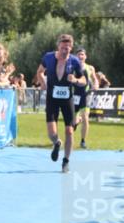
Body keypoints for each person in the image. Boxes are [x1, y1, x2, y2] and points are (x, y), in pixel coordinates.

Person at [36, 33, 86, 173]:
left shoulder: (74, 61)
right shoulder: (48, 57)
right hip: (52, 98)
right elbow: (40, 72)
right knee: (52, 133)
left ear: (71, 48)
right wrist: (42, 83)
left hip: (67, 99)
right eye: (63, 48)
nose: (65, 51)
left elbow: (84, 81)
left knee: (69, 131)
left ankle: (66, 161)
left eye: (68, 48)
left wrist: (75, 80)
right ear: (58, 46)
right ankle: (57, 142)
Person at [72, 46, 98, 149]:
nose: (80, 56)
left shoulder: (90, 68)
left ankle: (83, 141)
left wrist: (96, 85)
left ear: (85, 56)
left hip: (85, 94)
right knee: (72, 120)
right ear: (76, 56)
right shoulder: (72, 67)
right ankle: (76, 122)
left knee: (85, 117)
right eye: (78, 54)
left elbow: (94, 79)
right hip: (75, 95)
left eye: (82, 54)